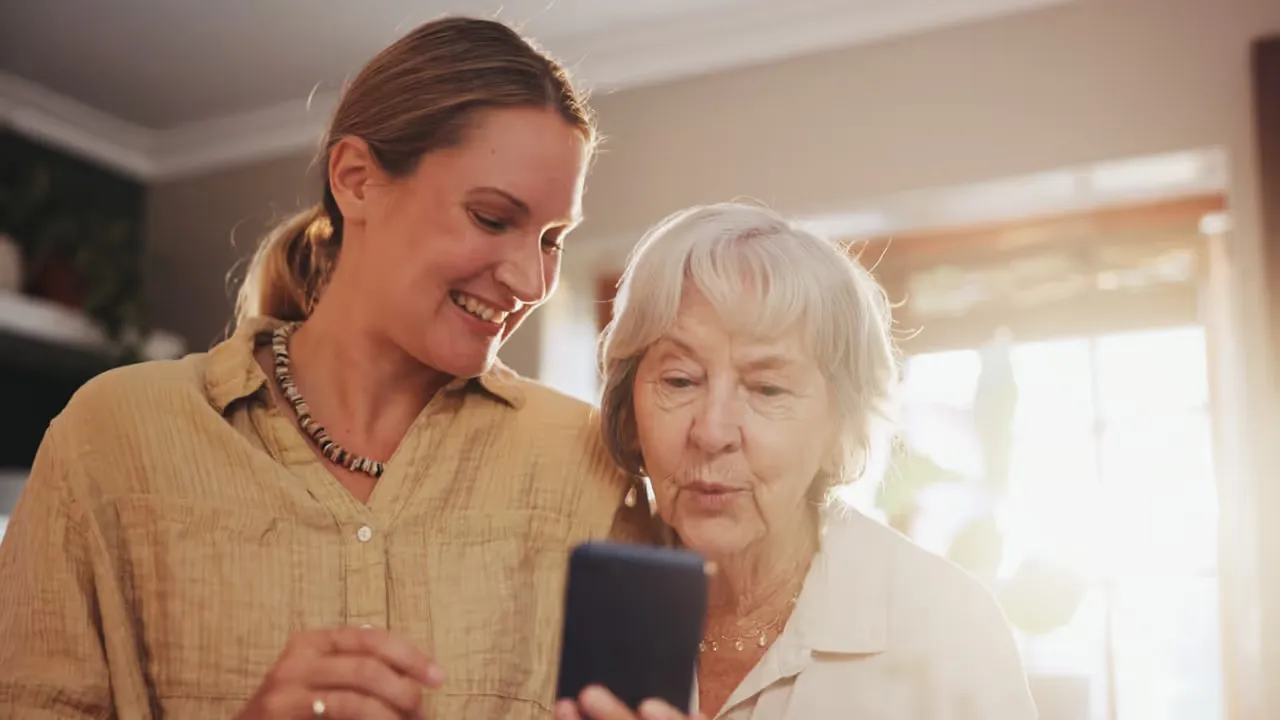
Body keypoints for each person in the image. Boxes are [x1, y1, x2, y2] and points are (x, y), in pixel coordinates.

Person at [0, 17, 655, 720]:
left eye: (554, 239)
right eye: (493, 218)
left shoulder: (589, 464)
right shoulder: (116, 435)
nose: (531, 279)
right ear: (356, 179)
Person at [562, 203, 1038, 719]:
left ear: (841, 427)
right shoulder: (584, 601)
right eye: (679, 380)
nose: (713, 431)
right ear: (629, 413)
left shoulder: (947, 626)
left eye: (767, 388)